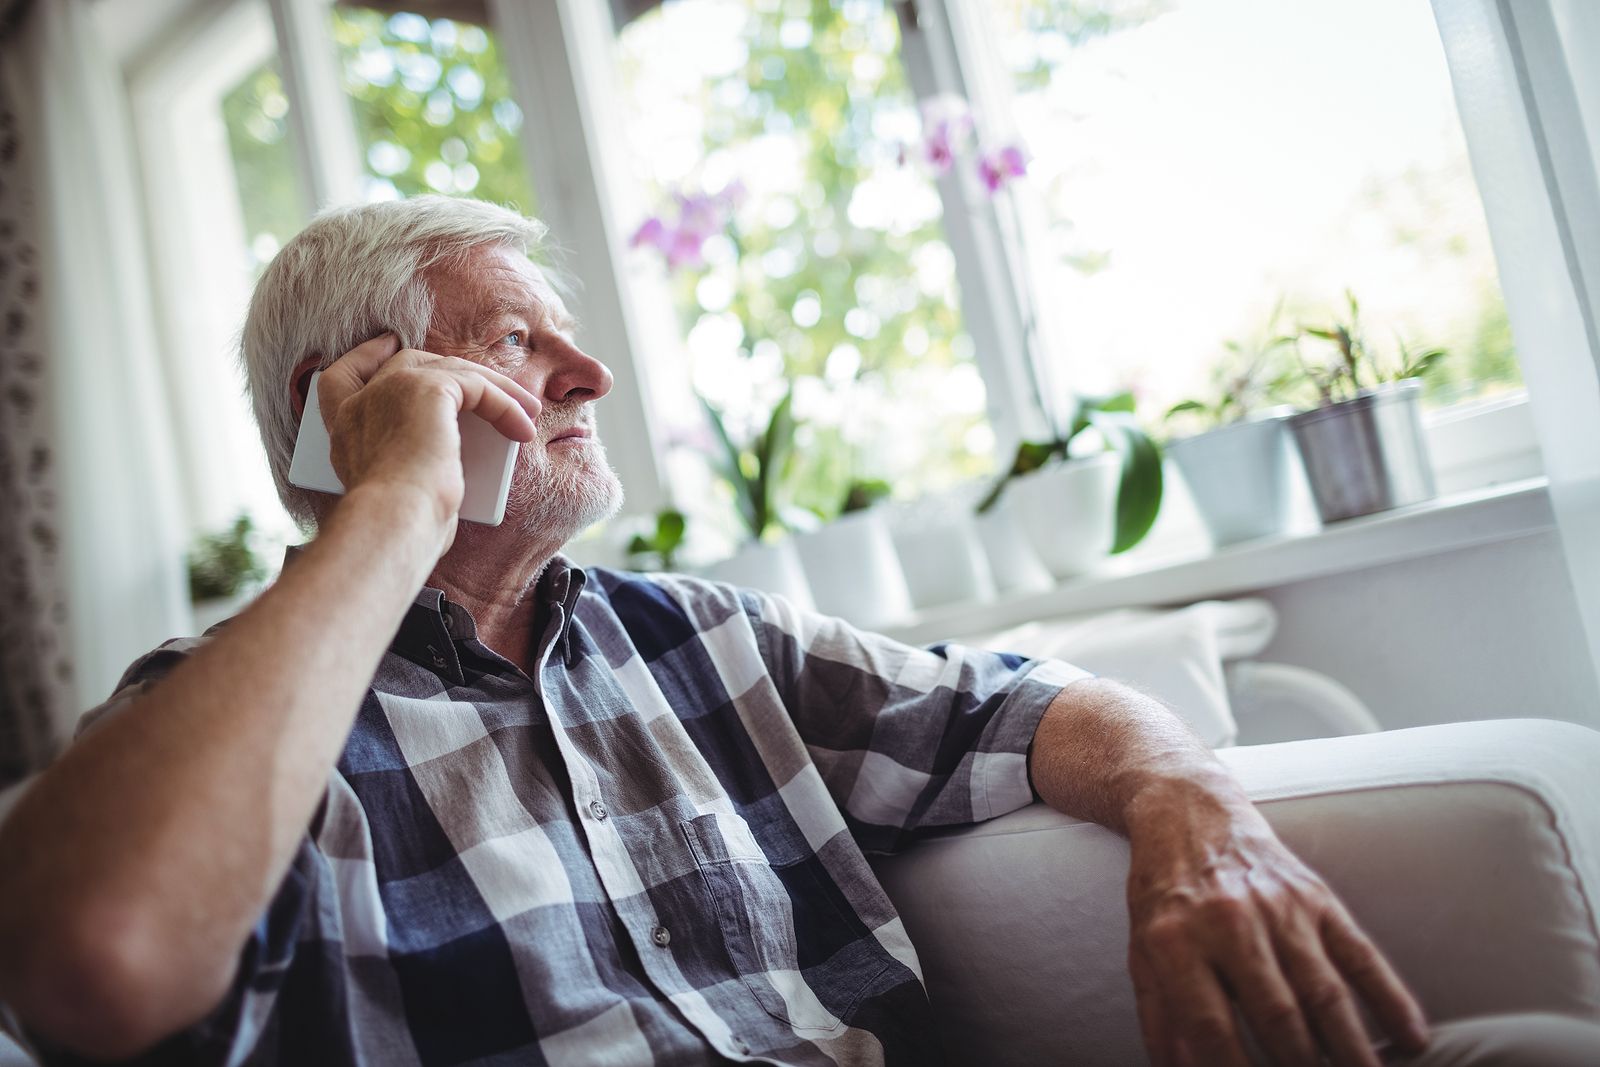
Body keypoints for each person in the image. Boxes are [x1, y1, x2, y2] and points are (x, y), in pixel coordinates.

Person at [0, 197, 1594, 1067]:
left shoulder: (694, 639)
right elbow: (90, 965)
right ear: (351, 407)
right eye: (514, 345)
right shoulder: (224, 720)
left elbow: (1028, 708)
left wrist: (1193, 823)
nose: (590, 377)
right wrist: (390, 515)